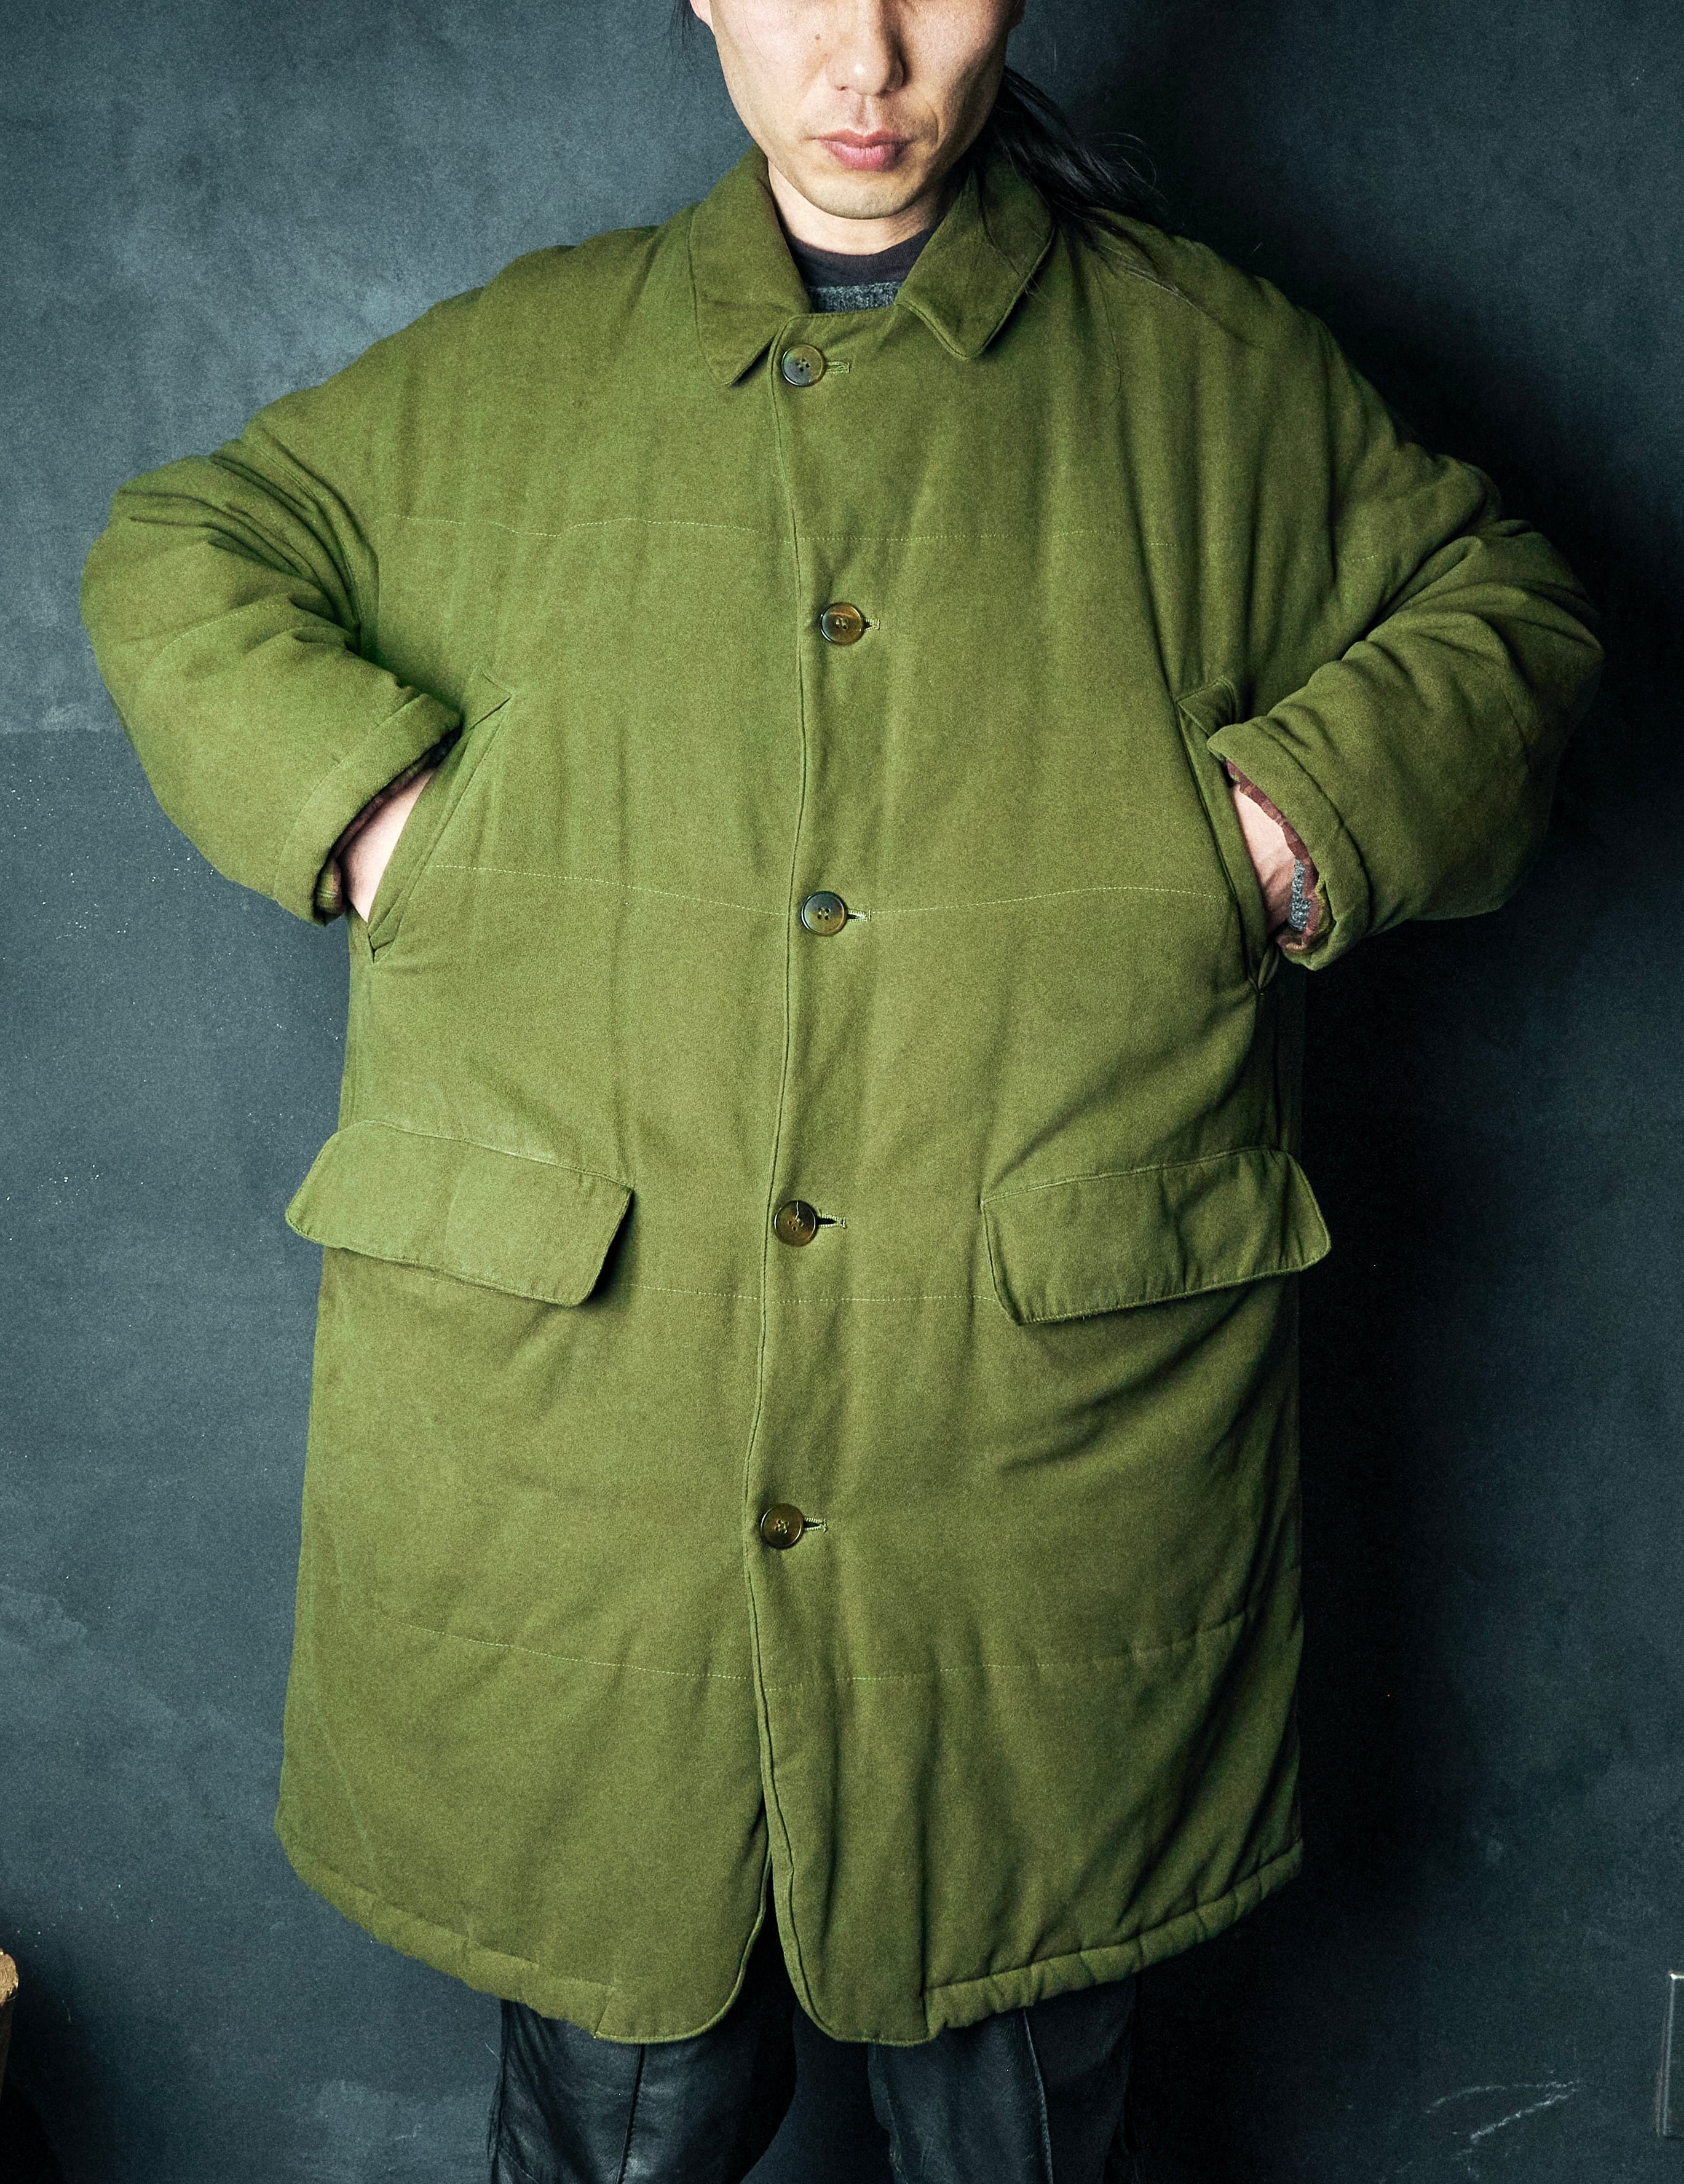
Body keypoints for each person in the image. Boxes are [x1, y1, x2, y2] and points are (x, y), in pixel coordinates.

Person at [79, 1, 1602, 2177]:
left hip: (1032, 1477)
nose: (863, 58)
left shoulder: (1212, 374)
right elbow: (176, 550)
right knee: (628, 2100)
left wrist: (1278, 831)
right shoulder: (526, 360)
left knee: (1020, 2106)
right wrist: (386, 821)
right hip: (590, 1465)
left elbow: (1510, 619)